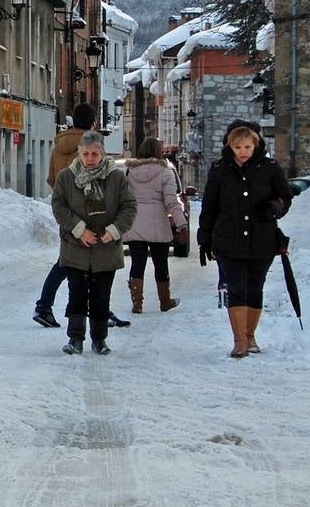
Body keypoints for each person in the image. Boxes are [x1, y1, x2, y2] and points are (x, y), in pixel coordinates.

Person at [196, 120, 292, 359]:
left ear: (255, 145)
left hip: (262, 238)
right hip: (229, 239)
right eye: (238, 148)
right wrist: (204, 238)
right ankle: (239, 340)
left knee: (255, 288)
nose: (243, 152)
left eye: (247, 147)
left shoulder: (270, 168)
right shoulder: (220, 169)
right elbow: (209, 205)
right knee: (237, 287)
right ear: (231, 147)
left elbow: (285, 197)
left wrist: (274, 207)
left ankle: (250, 336)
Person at [33, 103, 131, 330]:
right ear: (93, 121)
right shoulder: (93, 145)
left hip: (68, 212)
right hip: (94, 212)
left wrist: (65, 198)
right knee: (84, 263)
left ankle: (46, 305)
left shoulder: (59, 145)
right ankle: (94, 311)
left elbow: (51, 178)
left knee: (68, 260)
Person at [52, 131, 137, 354]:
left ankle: (99, 340)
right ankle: (75, 338)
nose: (90, 158)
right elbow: (59, 207)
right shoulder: (66, 177)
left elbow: (129, 207)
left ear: (102, 154)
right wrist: (80, 230)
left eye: (95, 154)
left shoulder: (116, 178)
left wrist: (115, 230)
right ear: (79, 154)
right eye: (86, 153)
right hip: (75, 247)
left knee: (101, 296)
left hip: (106, 249)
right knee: (76, 293)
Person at [121, 137, 185, 313]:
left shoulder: (130, 172)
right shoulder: (165, 172)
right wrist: (182, 225)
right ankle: (165, 301)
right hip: (158, 223)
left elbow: (124, 198)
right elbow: (172, 201)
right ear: (158, 152)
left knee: (137, 263)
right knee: (160, 263)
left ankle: (137, 303)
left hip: (135, 223)